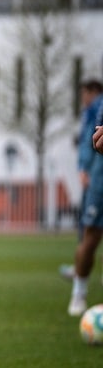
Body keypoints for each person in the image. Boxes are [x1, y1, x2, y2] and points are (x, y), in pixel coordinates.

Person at [61, 79, 103, 280]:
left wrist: (84, 166)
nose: (82, 98)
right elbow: (92, 138)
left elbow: (91, 140)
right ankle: (79, 280)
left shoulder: (96, 107)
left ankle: (80, 280)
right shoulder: (92, 110)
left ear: (93, 91)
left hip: (97, 175)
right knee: (90, 230)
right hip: (97, 174)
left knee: (90, 230)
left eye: (84, 93)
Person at [69, 97, 103, 316]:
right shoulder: (99, 105)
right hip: (100, 179)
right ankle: (78, 293)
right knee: (90, 236)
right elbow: (93, 138)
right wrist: (84, 166)